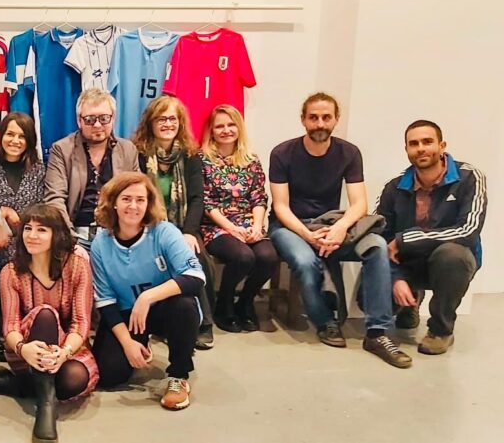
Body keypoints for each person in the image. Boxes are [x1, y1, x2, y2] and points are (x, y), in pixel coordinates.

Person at [269, 92, 411, 368]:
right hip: (289, 226)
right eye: (313, 117)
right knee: (304, 260)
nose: (320, 123)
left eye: (326, 117)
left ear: (336, 119)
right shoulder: (282, 153)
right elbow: (281, 207)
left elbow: (359, 204)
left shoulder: (349, 152)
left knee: (377, 246)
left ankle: (377, 332)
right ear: (303, 120)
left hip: (332, 223)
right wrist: (308, 235)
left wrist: (340, 227)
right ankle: (325, 322)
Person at [0, 204, 97, 442]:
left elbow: (81, 322)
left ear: (57, 234)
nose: (32, 235)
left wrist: (64, 352)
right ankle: (46, 407)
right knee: (45, 314)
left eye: (42, 230)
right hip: (26, 350)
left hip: (68, 348)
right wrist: (23, 348)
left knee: (72, 382)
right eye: (28, 228)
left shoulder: (77, 265)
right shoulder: (11, 271)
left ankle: (6, 383)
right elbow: (10, 327)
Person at [90, 172, 205, 411]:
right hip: (128, 315)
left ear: (149, 203)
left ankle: (178, 376)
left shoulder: (164, 232)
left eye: (140, 200)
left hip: (166, 310)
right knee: (110, 375)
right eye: (126, 199)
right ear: (113, 202)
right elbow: (106, 301)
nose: (133, 206)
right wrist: (127, 343)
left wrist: (148, 296)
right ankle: (140, 342)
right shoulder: (101, 243)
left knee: (184, 304)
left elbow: (196, 277)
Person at [375, 120, 486, 355]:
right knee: (368, 300)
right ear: (406, 149)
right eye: (413, 144)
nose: (421, 148)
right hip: (407, 261)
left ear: (442, 145)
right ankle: (410, 301)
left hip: (450, 261)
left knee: (451, 255)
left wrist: (406, 239)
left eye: (427, 142)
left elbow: (468, 230)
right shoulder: (393, 188)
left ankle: (440, 330)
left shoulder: (469, 177)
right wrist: (396, 278)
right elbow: (379, 238)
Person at [132, 95, 216, 349]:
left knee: (196, 259)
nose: (167, 124)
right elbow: (137, 196)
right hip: (148, 227)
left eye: (172, 119)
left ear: (180, 123)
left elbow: (196, 198)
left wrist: (189, 232)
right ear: (151, 123)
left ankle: (203, 323)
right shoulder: (138, 154)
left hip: (182, 227)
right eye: (161, 119)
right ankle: (170, 320)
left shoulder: (191, 155)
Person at [0, 112, 47, 361]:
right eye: (10, 134)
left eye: (21, 136)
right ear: (1, 137)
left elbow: (43, 212)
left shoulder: (39, 171)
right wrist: (1, 219)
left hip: (31, 243)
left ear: (30, 140)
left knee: (22, 262)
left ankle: (12, 328)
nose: (15, 140)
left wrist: (16, 219)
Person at [199, 105, 278, 333]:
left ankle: (245, 303)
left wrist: (256, 225)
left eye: (231, 124)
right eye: (220, 126)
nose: (226, 130)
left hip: (248, 223)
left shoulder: (251, 160)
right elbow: (207, 202)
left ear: (239, 127)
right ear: (212, 131)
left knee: (268, 257)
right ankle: (223, 305)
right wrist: (231, 228)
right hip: (216, 226)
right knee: (243, 257)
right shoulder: (202, 159)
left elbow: (259, 197)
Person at [45, 87, 140, 248]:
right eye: (89, 119)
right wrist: (70, 241)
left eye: (104, 118)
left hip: (118, 235)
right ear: (79, 120)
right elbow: (54, 199)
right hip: (74, 235)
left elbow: (136, 195)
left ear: (113, 118)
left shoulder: (128, 149)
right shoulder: (62, 149)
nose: (97, 125)